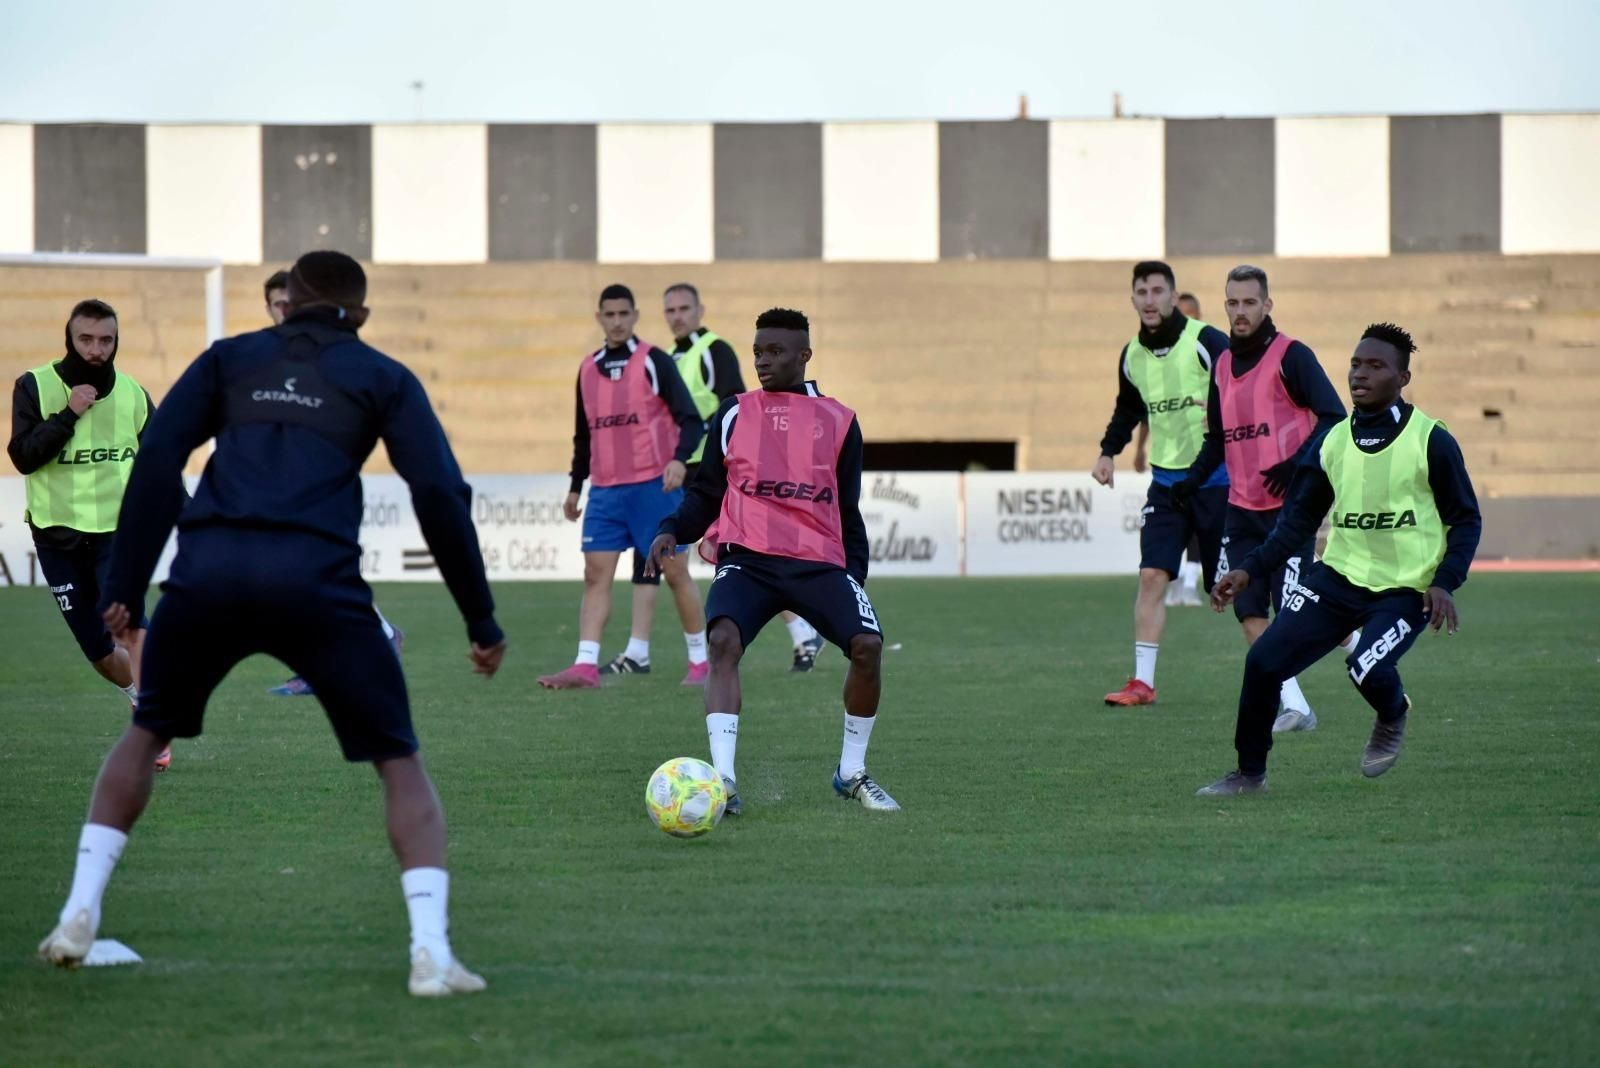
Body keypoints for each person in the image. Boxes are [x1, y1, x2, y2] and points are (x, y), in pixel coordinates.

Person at [36, 251, 506, 998]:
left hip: (209, 572)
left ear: (287, 304)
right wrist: (480, 619)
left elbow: (160, 454)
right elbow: (440, 491)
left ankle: (77, 919)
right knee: (398, 760)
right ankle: (430, 955)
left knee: (146, 729)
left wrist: (125, 585)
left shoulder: (230, 357)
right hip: (317, 581)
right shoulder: (382, 374)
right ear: (361, 313)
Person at [1197, 322, 1481, 794]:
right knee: (1264, 661)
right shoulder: (1331, 442)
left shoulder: (1431, 441)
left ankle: (1392, 712)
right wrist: (1250, 569)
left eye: (1376, 366)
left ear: (1402, 378)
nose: (1360, 375)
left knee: (1366, 666)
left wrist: (1445, 581)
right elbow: (1296, 523)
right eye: (1355, 364)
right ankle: (1250, 775)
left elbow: (1466, 520)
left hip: (1405, 590)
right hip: (1338, 579)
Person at [644, 307, 898, 816]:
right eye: (757, 350)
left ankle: (851, 772)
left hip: (818, 562)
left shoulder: (840, 421)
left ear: (804, 355)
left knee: (867, 646)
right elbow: (708, 492)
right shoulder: (733, 413)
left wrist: (856, 577)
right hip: (749, 560)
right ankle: (723, 781)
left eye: (775, 351)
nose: (762, 360)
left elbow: (847, 508)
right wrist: (671, 529)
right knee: (722, 642)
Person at [609, 283, 827, 676]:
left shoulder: (714, 350)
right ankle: (637, 650)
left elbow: (738, 408)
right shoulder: (670, 356)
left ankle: (802, 631)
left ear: (699, 310)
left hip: (711, 470)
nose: (676, 315)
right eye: (670, 309)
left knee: (741, 560)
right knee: (652, 551)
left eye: (683, 308)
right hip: (675, 469)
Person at [1176, 266, 1346, 733]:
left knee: (1297, 613)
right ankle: (1296, 706)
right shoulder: (1224, 366)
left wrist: (1296, 467)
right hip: (1241, 509)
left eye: (1249, 302)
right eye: (1232, 303)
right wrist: (1190, 483)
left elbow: (1335, 417)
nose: (1240, 312)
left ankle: (1361, 648)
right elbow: (1218, 439)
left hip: (1292, 510)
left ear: (1267, 304)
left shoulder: (1292, 356)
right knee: (1249, 610)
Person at [8, 299, 171, 771]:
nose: (97, 350)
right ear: (69, 339)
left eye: (106, 340)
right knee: (99, 651)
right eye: (87, 339)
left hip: (118, 534)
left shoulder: (135, 395)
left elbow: (160, 459)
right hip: (57, 538)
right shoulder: (35, 385)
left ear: (116, 342)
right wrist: (69, 413)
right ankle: (143, 694)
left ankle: (155, 727)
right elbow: (22, 456)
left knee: (130, 625)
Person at [538, 284, 707, 689]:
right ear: (599, 318)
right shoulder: (586, 369)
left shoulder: (654, 361)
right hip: (606, 492)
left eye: (623, 314)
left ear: (634, 316)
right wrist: (576, 486)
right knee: (595, 574)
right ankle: (585, 665)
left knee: (675, 571)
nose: (616, 322)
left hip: (653, 488)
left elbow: (691, 419)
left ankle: (702, 662)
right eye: (609, 315)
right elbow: (583, 436)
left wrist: (679, 461)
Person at [259, 270, 405, 697]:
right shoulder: (264, 356)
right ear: (268, 308)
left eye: (290, 302)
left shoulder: (326, 353)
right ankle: (370, 638)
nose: (284, 310)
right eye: (276, 304)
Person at [1091, 262, 1231, 706]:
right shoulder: (1131, 355)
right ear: (1132, 299)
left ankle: (1299, 682)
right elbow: (1127, 408)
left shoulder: (1207, 342)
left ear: (1173, 296)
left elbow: (1244, 389)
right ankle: (1143, 684)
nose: (1150, 300)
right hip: (1167, 484)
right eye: (1141, 292)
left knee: (1242, 587)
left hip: (1219, 481)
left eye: (1157, 291)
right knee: (1152, 575)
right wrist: (1107, 452)